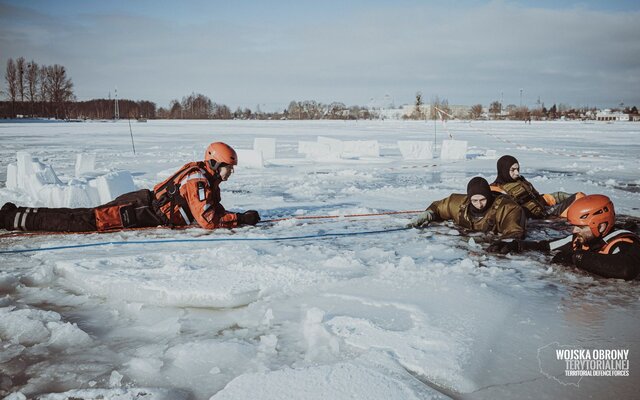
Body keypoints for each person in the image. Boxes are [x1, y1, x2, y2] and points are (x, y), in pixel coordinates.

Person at [0, 142, 260, 233]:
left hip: (141, 204)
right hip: (135, 211)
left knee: (80, 215)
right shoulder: (199, 181)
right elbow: (208, 220)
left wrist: (235, 217)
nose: (231, 171)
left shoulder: (204, 176)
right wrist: (240, 219)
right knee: (79, 220)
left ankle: (14, 213)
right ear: (215, 163)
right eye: (228, 166)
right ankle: (11, 217)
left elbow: (210, 209)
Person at [488, 194, 640, 280]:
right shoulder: (580, 239)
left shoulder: (625, 242)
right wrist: (516, 245)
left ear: (600, 225)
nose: (574, 230)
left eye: (580, 227)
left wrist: (576, 257)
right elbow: (546, 246)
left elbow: (626, 269)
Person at [409, 176, 526, 239]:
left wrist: (504, 244)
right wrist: (429, 214)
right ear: (469, 198)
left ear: (489, 197)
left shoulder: (507, 209)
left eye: (483, 200)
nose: (479, 204)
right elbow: (439, 207)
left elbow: (514, 232)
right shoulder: (457, 203)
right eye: (474, 200)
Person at [490, 155, 584, 219]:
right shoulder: (496, 190)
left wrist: (556, 197)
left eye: (517, 169)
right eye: (513, 170)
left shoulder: (520, 180)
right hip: (537, 221)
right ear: (504, 170)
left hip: (545, 211)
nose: (517, 173)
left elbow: (536, 197)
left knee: (580, 197)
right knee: (579, 206)